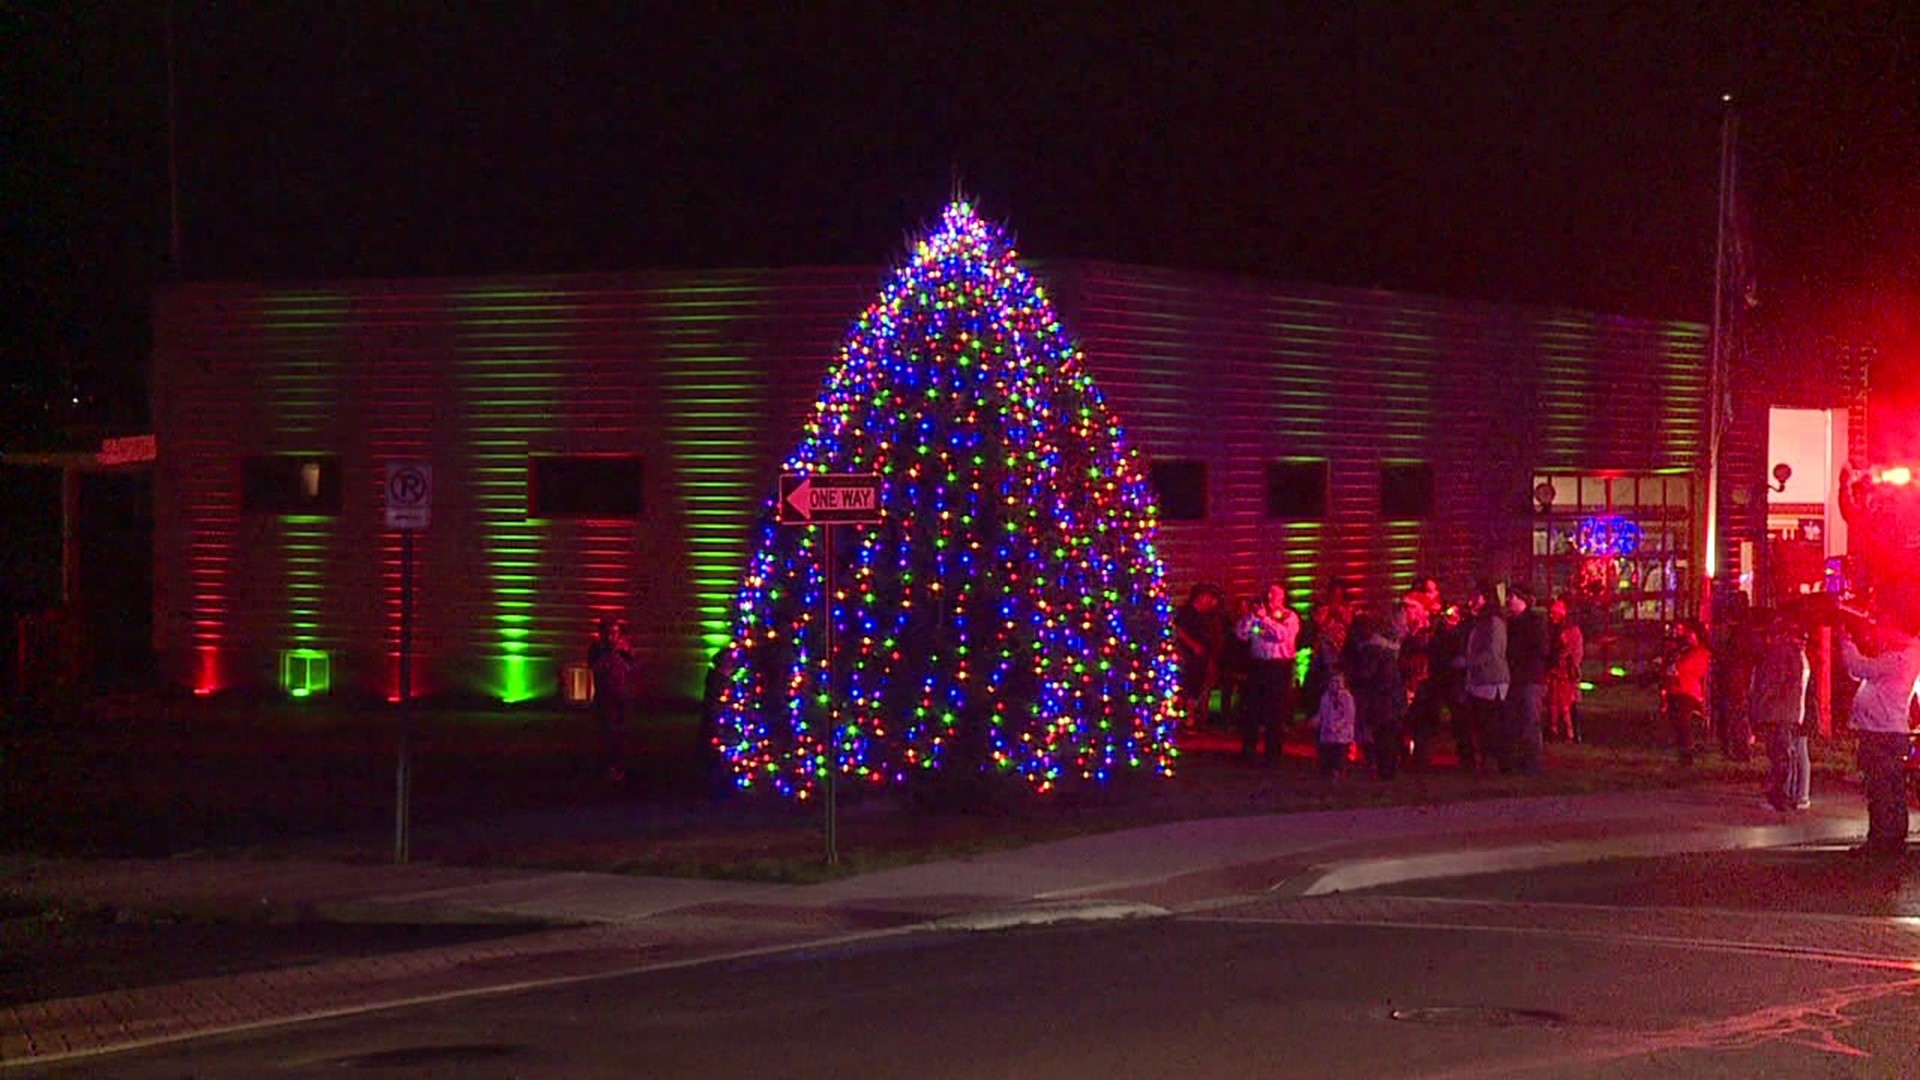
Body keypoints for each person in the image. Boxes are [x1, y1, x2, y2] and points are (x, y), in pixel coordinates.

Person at [1837, 608, 1920, 857]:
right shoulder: (1906, 656)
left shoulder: (1899, 659)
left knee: (1880, 789)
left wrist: (1846, 641)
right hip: (1891, 730)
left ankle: (1881, 841)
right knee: (1893, 788)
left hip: (1880, 731)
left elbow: (1859, 667)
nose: (1880, 634)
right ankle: (1894, 838)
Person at [1748, 608, 1810, 812]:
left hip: (1779, 711)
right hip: (1781, 711)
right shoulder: (1789, 653)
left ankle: (1780, 796)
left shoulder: (1782, 653)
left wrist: (1767, 703)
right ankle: (1781, 795)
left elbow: (1777, 683)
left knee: (1780, 755)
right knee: (1780, 754)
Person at [1235, 581, 1302, 763]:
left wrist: (1266, 619)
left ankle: (1273, 753)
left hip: (1278, 668)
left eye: (1275, 594)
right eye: (1269, 594)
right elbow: (1241, 634)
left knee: (1275, 712)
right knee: (1253, 709)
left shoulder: (1290, 617)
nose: (1271, 597)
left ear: (1283, 597)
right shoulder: (1258, 616)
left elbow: (1282, 636)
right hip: (1259, 666)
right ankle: (1248, 750)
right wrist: (1251, 617)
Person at [1344, 610, 1407, 779]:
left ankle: (1384, 771)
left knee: (1383, 737)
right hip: (1392, 699)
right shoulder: (1385, 650)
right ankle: (1388, 770)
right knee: (1389, 736)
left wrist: (1354, 678)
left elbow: (1366, 675)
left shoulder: (1371, 651)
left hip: (1382, 701)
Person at [1459, 580, 1509, 772]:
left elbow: (1492, 652)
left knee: (1489, 722)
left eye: (1476, 596)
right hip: (1479, 679)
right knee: (1481, 723)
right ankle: (1486, 760)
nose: (1472, 600)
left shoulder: (1493, 623)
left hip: (1490, 680)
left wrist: (1469, 662)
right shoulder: (1480, 621)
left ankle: (1494, 761)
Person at [1503, 582, 1550, 775]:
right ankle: (1519, 760)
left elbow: (1541, 649)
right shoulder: (1511, 623)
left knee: (1530, 720)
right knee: (1516, 721)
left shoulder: (1534, 622)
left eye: (1511, 597)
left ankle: (1533, 762)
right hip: (1516, 678)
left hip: (1530, 679)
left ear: (1522, 600)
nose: (1508, 601)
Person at [1171, 584, 1230, 730]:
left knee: (1200, 687)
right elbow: (1178, 630)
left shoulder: (1207, 615)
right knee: (1190, 687)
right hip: (1189, 657)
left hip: (1203, 657)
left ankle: (1198, 718)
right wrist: (1193, 645)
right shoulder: (1187, 613)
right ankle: (1188, 717)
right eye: (1208, 597)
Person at [588, 616, 635, 782]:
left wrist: (621, 652)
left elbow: (630, 667)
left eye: (614, 633)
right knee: (605, 733)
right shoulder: (596, 650)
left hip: (620, 696)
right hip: (604, 697)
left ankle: (618, 767)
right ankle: (605, 767)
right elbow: (596, 667)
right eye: (607, 633)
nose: (611, 637)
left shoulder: (624, 650)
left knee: (620, 734)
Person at [1660, 619, 1711, 767]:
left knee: (1683, 723)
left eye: (1690, 633)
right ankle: (1682, 753)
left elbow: (1682, 668)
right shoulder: (1683, 650)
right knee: (1677, 723)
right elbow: (1671, 667)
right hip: (1676, 689)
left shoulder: (1701, 652)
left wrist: (1674, 669)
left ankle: (1687, 753)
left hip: (1687, 692)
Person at [1544, 595, 1585, 742]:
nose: (1551, 616)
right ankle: (1554, 730)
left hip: (1566, 674)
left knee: (1568, 705)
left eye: (1554, 613)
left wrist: (1571, 664)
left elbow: (1574, 652)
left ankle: (1572, 732)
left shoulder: (1571, 632)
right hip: (1555, 673)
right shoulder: (1551, 631)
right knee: (1553, 704)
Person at [1314, 669, 1356, 779]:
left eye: (1338, 682)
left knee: (1340, 755)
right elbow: (1322, 712)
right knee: (1328, 755)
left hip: (1342, 734)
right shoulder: (1325, 697)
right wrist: (1317, 720)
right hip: (1328, 733)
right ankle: (1328, 772)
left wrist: (1338, 726)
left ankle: (1339, 771)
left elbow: (1349, 716)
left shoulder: (1347, 698)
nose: (1335, 685)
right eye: (1333, 682)